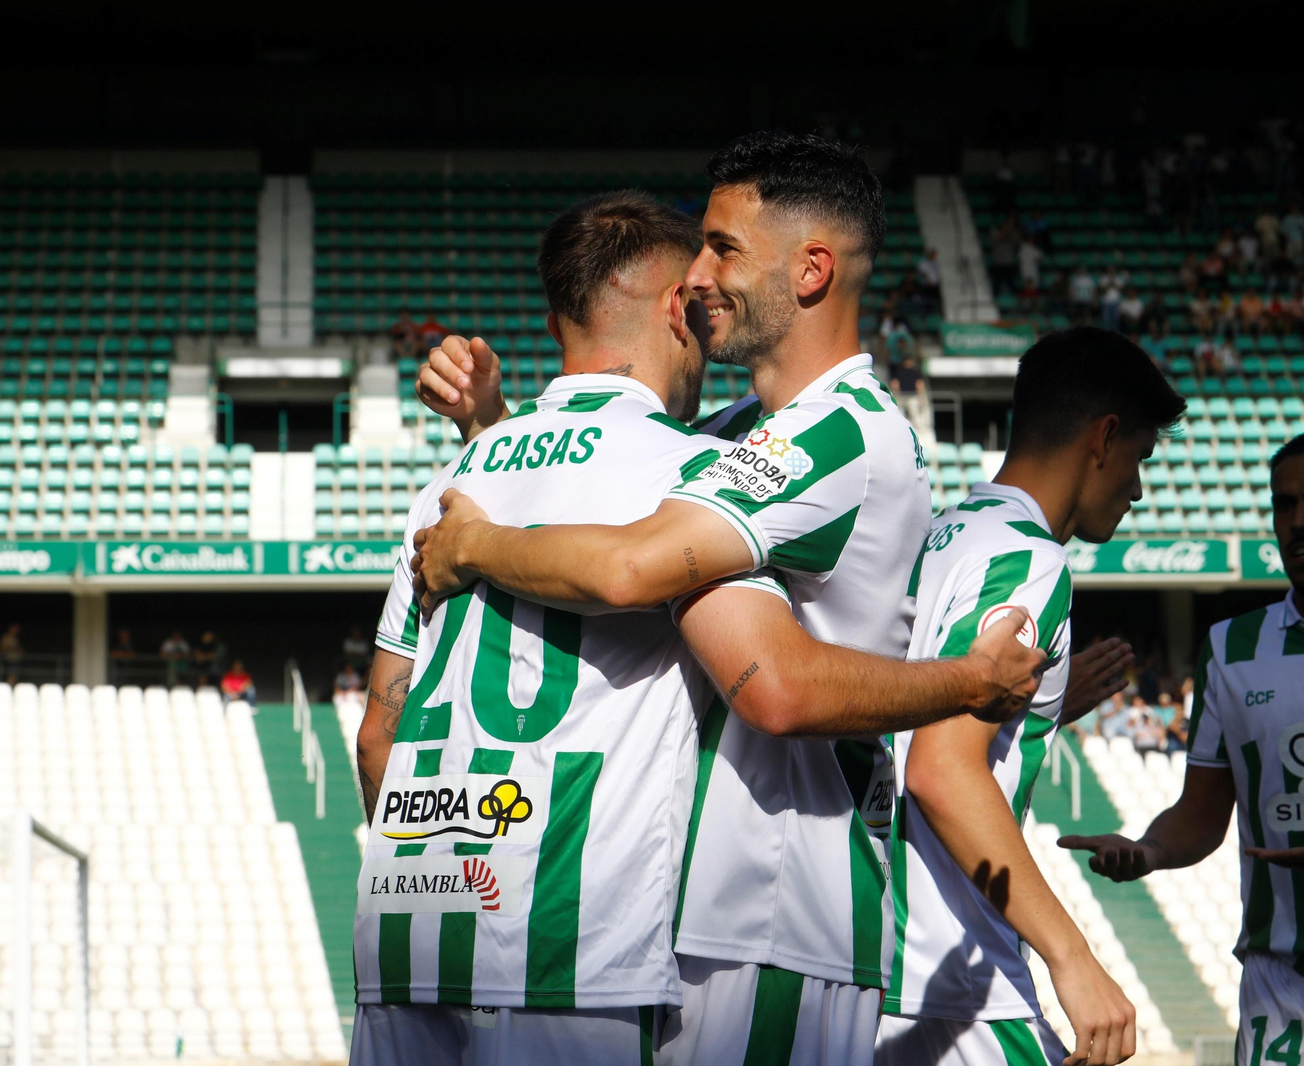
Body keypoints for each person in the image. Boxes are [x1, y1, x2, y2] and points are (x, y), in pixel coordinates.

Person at [356, 184, 1042, 1066]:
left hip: (409, 921)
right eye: (705, 270)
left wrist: (488, 430)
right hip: (564, 932)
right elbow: (771, 679)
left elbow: (380, 735)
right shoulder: (695, 477)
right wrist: (971, 680)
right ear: (678, 309)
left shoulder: (451, 485)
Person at [877, 328, 1177, 1066]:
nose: (1137, 489)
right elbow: (941, 770)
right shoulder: (1030, 560)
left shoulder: (944, 534)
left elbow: (913, 714)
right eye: (1138, 459)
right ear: (1103, 438)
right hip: (955, 976)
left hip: (874, 960)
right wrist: (1072, 958)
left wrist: (1040, 709)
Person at [1061, 432, 1304, 1066]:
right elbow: (1201, 815)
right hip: (1279, 986)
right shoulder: (1233, 648)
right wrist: (1149, 849)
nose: (1297, 522)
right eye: (1285, 505)